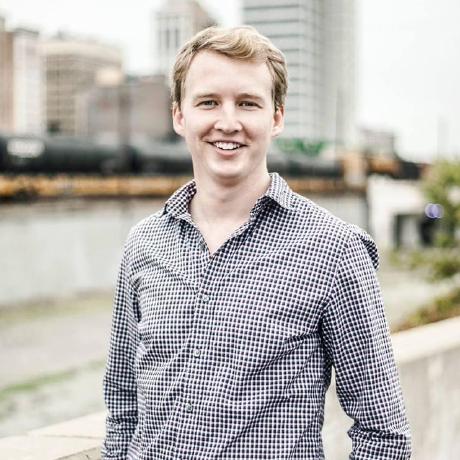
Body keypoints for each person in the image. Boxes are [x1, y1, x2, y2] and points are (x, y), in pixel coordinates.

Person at [102, 26, 411, 459]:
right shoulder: (144, 244)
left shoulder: (335, 250)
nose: (228, 122)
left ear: (276, 117)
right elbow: (122, 407)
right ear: (179, 116)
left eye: (247, 103)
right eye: (208, 102)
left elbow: (385, 435)